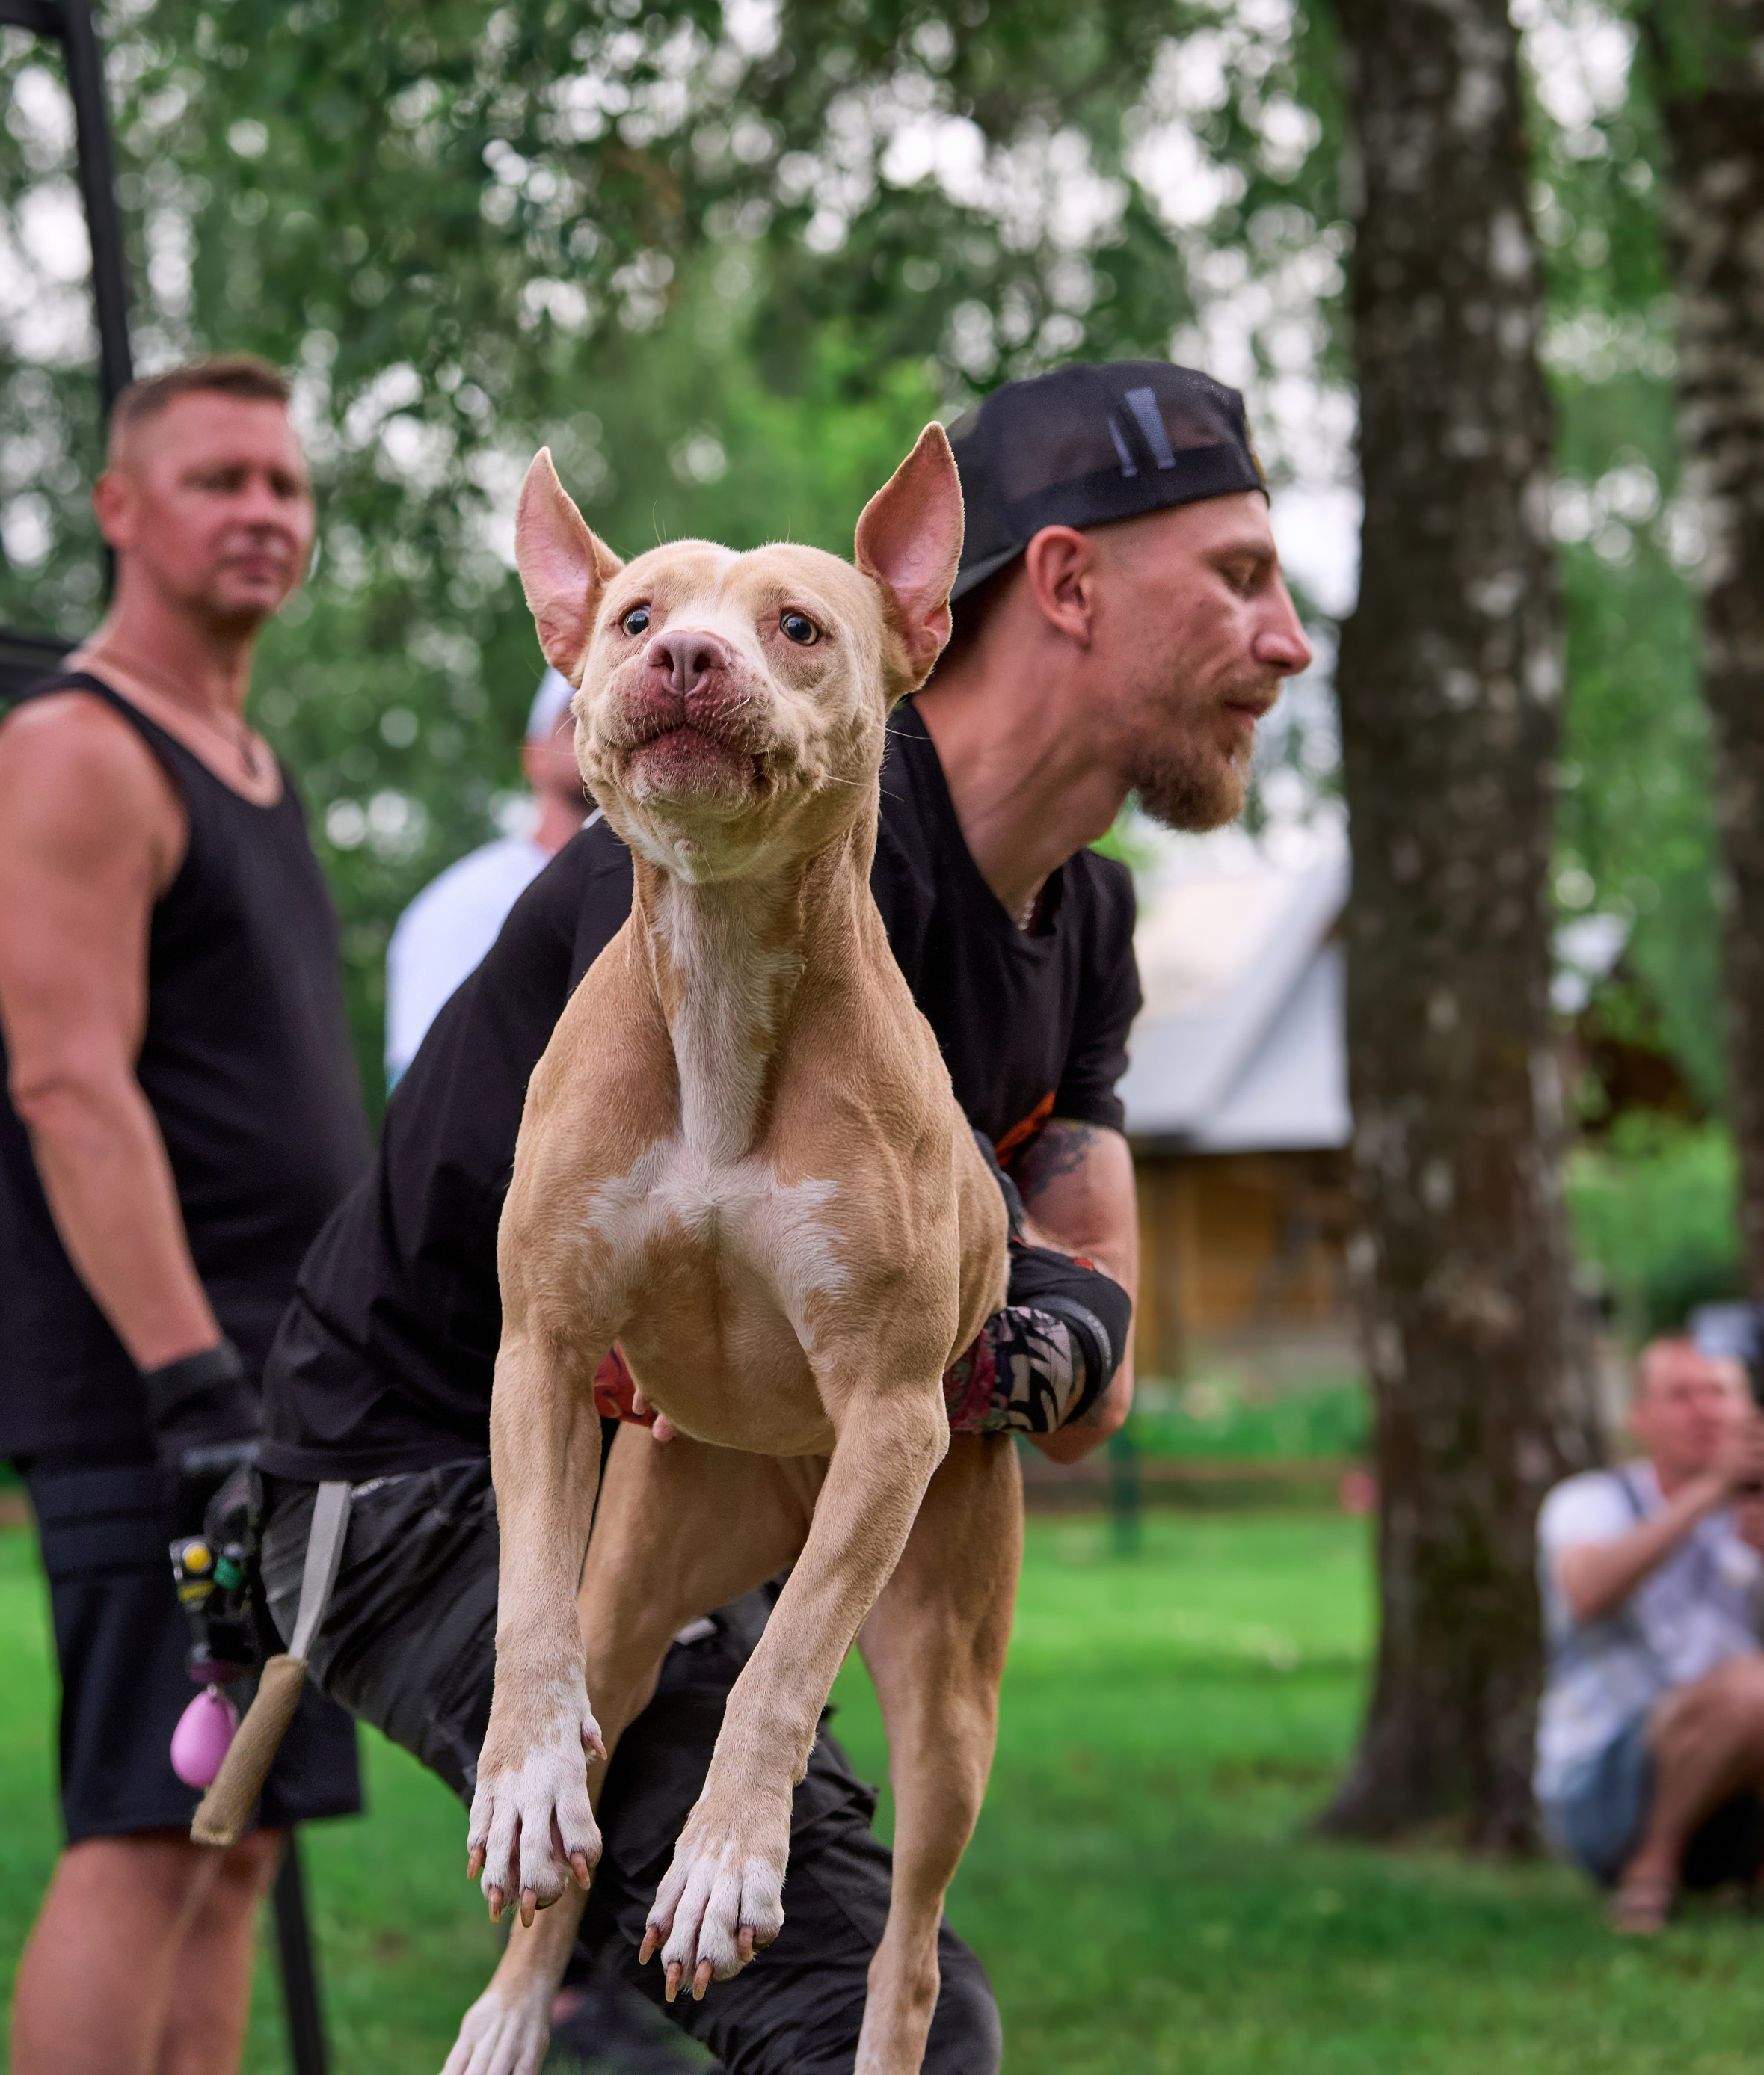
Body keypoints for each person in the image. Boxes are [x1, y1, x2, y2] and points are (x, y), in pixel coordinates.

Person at [256, 357, 1313, 2071]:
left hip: (768, 1451)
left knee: (810, 1948)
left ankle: (609, 1973)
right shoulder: (706, 827)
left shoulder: (1087, 925)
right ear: (1051, 582)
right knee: (847, 2005)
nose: (1286, 644)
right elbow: (594, 1350)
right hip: (429, 1468)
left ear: (896, 616)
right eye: (1241, 578)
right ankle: (584, 1965)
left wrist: (1036, 1334)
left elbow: (1088, 1332)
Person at [0, 357, 373, 2075]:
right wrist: (193, 1385)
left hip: (280, 1396)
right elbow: (68, 1086)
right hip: (163, 1397)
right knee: (144, 1826)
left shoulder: (248, 763)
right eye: (217, 479)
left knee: (233, 1835)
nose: (262, 511)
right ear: (120, 507)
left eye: (283, 481)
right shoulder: (74, 749)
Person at [1536, 1335, 1764, 1933]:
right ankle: (1651, 1869)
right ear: (1639, 1418)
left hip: (1738, 1785)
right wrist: (1707, 1493)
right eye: (1680, 1396)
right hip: (1608, 1785)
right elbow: (1587, 1590)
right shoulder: (1590, 1501)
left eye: (1718, 1392)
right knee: (1749, 1687)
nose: (1704, 1410)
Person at [384, 668, 586, 1086]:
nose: (596, 724)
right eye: (574, 712)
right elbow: (427, 1098)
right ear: (532, 755)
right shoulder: (465, 905)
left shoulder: (678, 904)